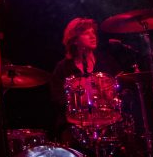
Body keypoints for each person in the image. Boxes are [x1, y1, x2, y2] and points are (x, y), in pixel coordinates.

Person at [49, 17, 123, 145]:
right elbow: (56, 96)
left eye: (93, 33)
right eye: (86, 33)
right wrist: (77, 101)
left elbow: (121, 85)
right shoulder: (63, 67)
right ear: (75, 40)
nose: (93, 36)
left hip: (107, 122)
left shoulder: (106, 61)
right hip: (75, 125)